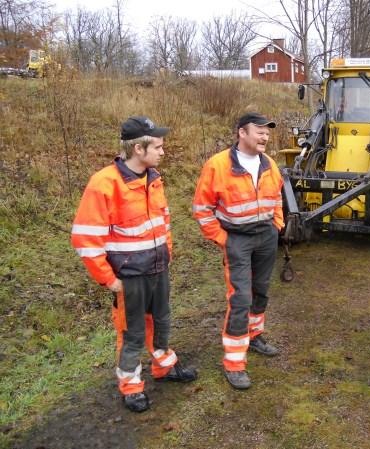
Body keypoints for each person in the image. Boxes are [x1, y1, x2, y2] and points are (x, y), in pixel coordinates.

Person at [71, 116, 197, 413]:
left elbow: (162, 223)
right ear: (138, 149)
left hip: (157, 270)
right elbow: (85, 238)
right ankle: (131, 385)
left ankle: (164, 366)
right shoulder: (104, 183)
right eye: (158, 146)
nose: (163, 152)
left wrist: (166, 254)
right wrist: (109, 280)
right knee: (132, 333)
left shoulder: (153, 179)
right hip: (129, 276)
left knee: (162, 322)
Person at [193, 112, 284, 390]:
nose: (265, 136)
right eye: (259, 131)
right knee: (241, 297)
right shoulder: (218, 165)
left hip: (266, 236)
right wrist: (223, 238)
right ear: (241, 133)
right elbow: (202, 209)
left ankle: (254, 336)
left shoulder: (270, 164)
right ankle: (234, 363)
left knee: (261, 290)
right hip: (237, 240)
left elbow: (278, 196)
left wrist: (277, 224)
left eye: (267, 132)